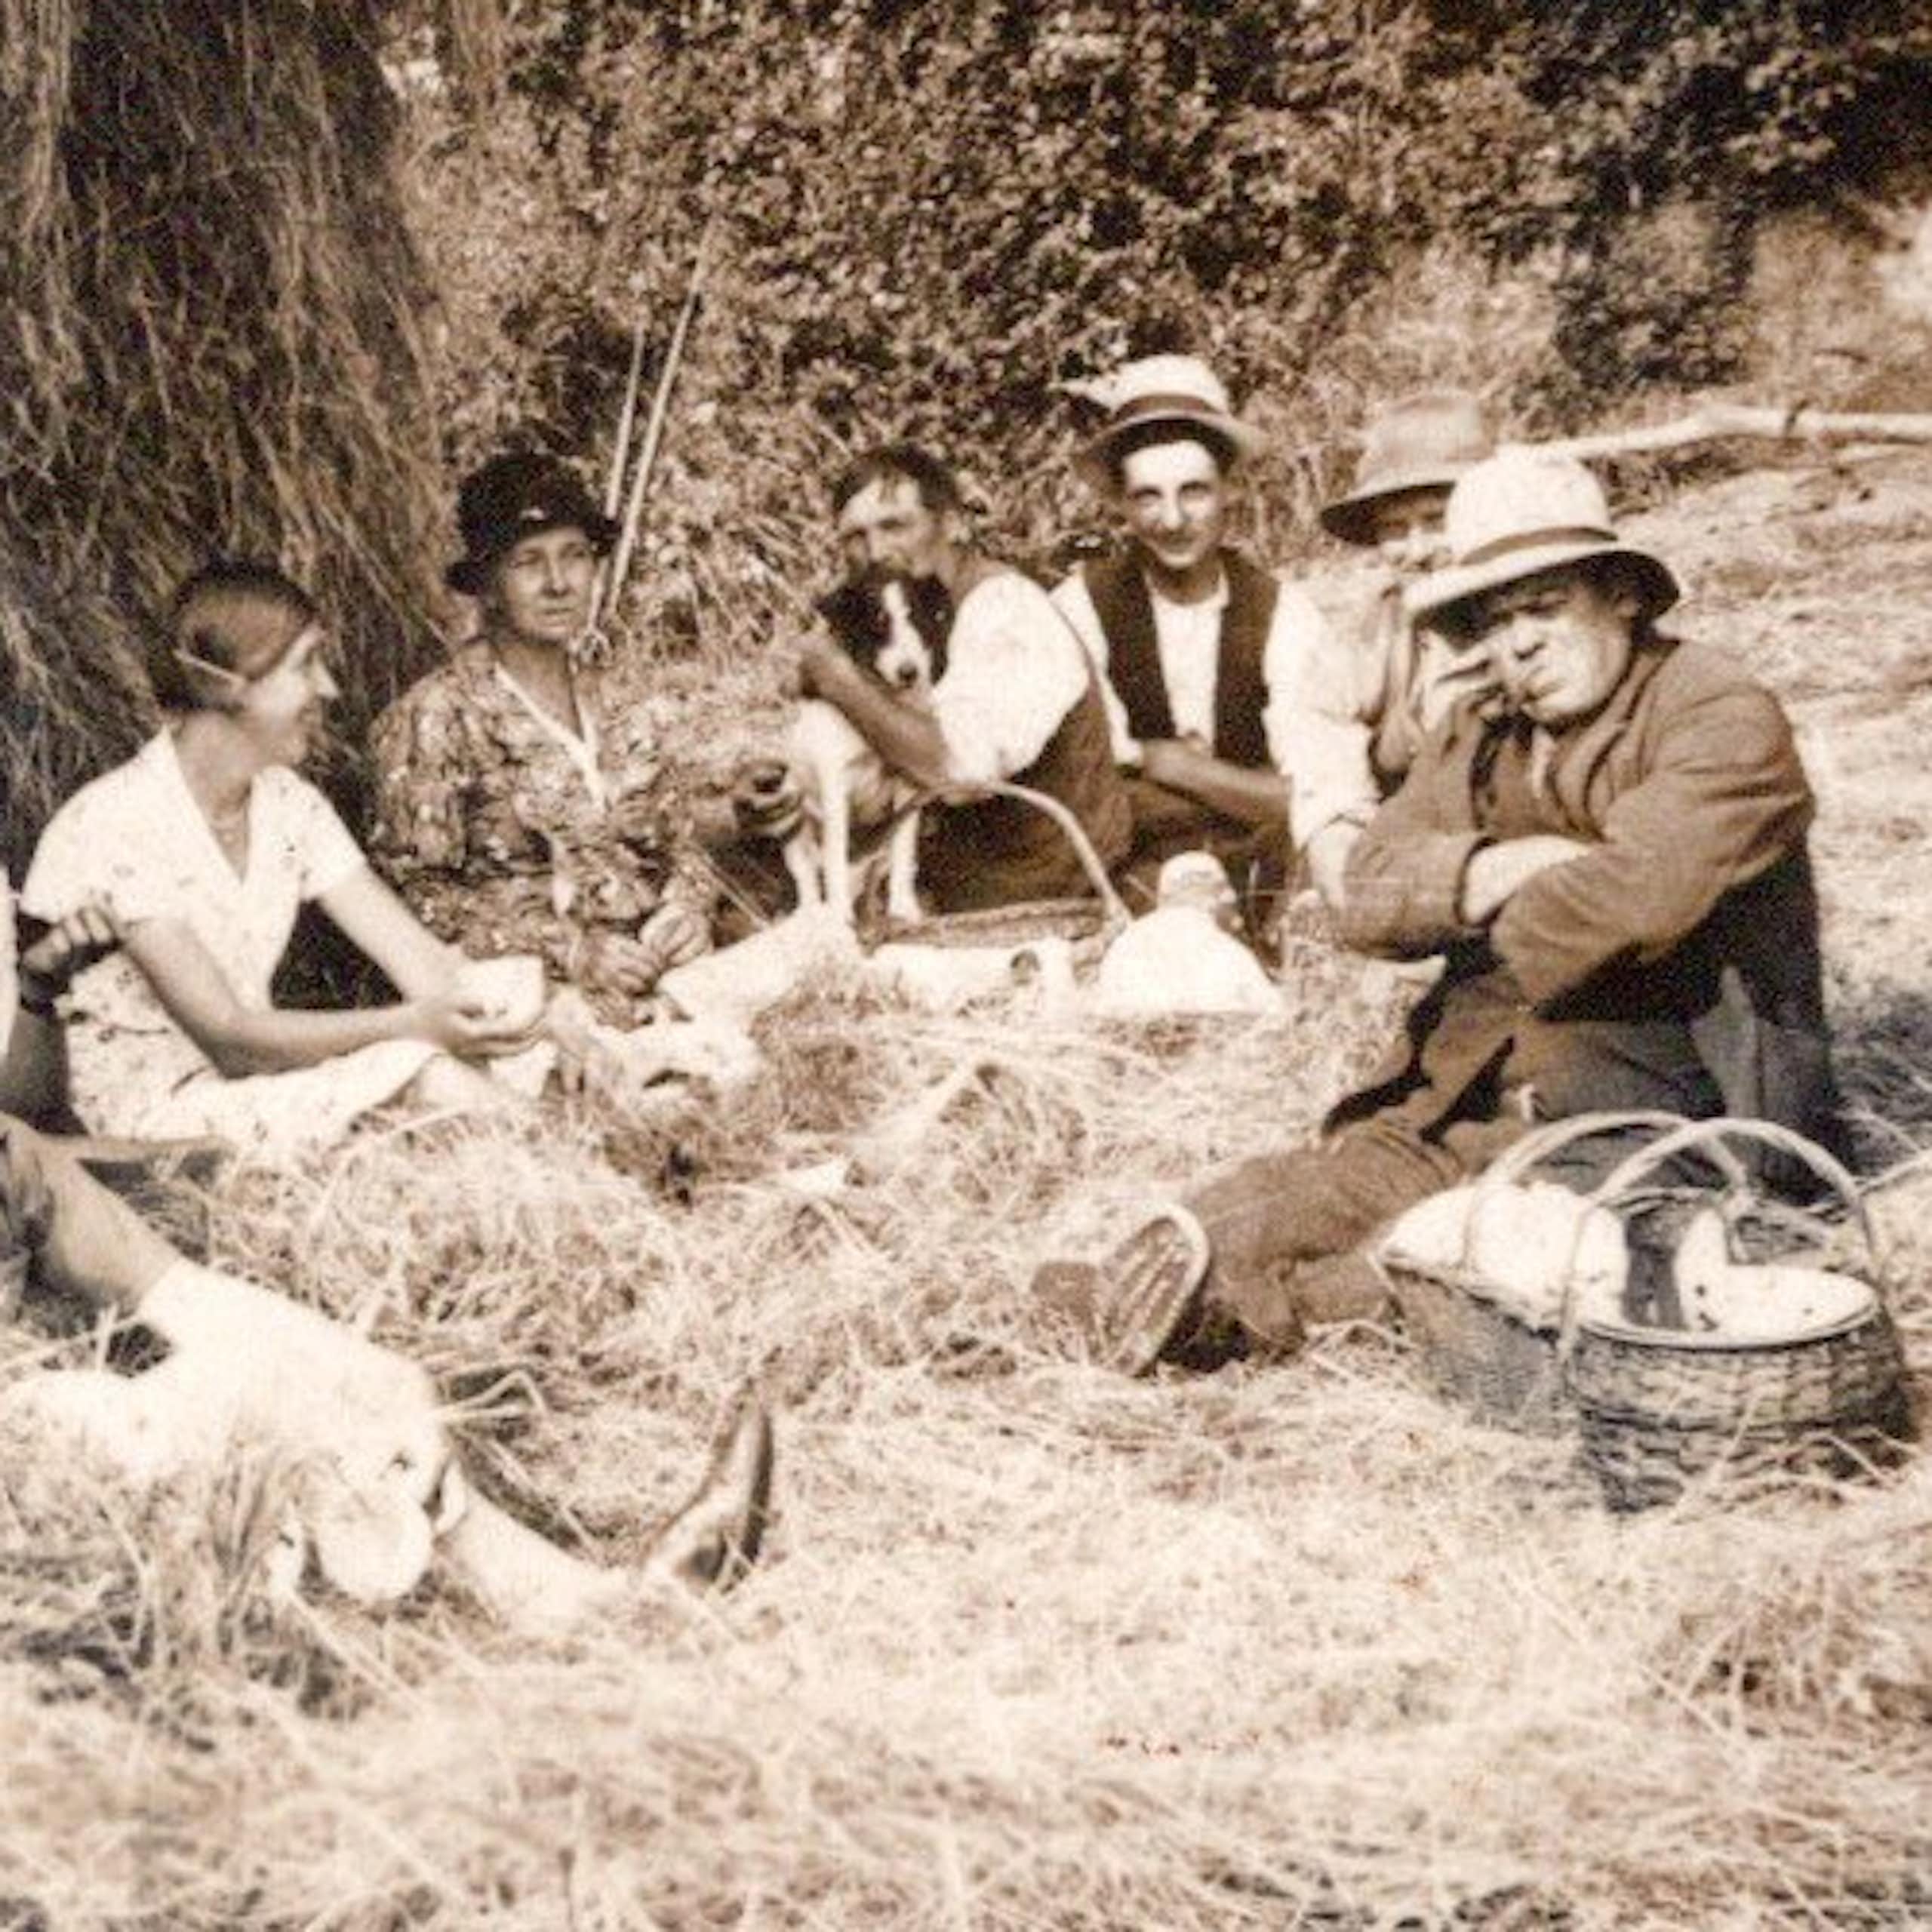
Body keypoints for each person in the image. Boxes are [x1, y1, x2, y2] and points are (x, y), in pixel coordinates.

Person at [1037, 448, 1841, 1374]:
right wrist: (1504, 862)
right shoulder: (1484, 725)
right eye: (1493, 625)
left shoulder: (1717, 710)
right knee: (1253, 1204)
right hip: (1464, 1095)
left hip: (1666, 1128)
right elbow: (1365, 901)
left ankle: (1221, 1328)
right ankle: (1109, 1309)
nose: (1519, 647)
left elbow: (1633, 903)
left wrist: (1453, 896)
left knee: (1438, 1258)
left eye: (1544, 608)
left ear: (1622, 594)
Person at [0, 881, 774, 1632]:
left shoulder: (16, 1159)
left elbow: (178, 1288)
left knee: (310, 1381)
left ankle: (594, 1606)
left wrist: (374, 1380)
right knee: (110, 1429)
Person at [21, 562, 539, 1161]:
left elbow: (422, 965)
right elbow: (230, 1040)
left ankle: (569, 1161)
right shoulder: (118, 823)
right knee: (423, 1075)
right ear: (227, 686)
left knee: (523, 1059)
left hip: (250, 1087)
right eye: (306, 664)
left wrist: (530, 1021)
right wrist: (419, 1027)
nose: (329, 689)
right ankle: (584, 1186)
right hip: (140, 1125)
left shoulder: (288, 803)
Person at [371, 453, 717, 1030]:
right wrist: (569, 948)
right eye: (529, 562)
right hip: (539, 991)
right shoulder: (436, 715)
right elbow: (416, 899)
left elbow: (683, 843)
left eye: (575, 556)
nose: (559, 584)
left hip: (663, 971)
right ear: (487, 584)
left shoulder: (624, 699)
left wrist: (688, 909)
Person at [1052, 354, 1333, 929]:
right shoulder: (1079, 607)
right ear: (1120, 503)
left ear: (1231, 489)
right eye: (1148, 496)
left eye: (1195, 492)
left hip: (1262, 867)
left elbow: (1311, 794)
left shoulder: (1285, 614)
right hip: (1125, 873)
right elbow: (1085, 789)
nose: (1173, 519)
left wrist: (1173, 764)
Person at [795, 443, 1133, 913]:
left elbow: (959, 772)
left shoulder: (1003, 610)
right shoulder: (913, 626)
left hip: (1042, 899)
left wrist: (839, 681)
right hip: (952, 884)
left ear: (954, 523)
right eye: (854, 536)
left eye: (895, 525)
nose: (875, 552)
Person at [1285, 392, 1497, 909]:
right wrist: (1338, 844)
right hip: (1422, 869)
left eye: (1437, 520)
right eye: (1395, 530)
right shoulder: (1379, 627)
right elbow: (1319, 728)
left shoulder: (1539, 614)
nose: (1419, 551)